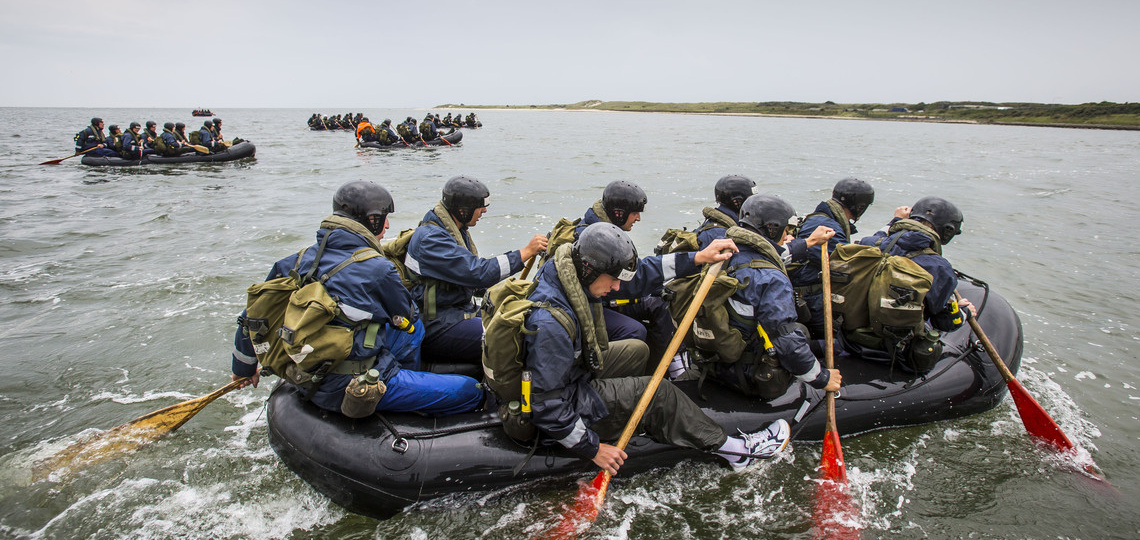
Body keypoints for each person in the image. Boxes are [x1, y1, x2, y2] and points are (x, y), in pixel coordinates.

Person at [525, 222, 791, 473]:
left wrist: (698, 258)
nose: (618, 287)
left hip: (571, 374)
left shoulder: (566, 270)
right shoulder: (551, 323)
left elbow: (639, 276)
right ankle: (738, 452)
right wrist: (592, 449)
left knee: (637, 350)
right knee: (658, 391)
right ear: (590, 270)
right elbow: (547, 405)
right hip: (564, 402)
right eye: (613, 280)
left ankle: (644, 417)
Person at [230, 180, 484, 416]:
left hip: (310, 372)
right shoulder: (377, 268)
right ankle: (405, 393)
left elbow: (251, 317)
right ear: (371, 221)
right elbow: (406, 313)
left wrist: (243, 369)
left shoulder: (297, 260)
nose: (386, 226)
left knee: (412, 328)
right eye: (383, 220)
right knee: (469, 389)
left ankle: (408, 379)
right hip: (351, 382)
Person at [406, 176, 547, 369]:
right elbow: (477, 273)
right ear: (462, 210)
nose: (484, 211)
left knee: (525, 319)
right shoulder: (431, 239)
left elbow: (476, 281)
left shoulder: (452, 229)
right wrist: (525, 253)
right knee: (510, 339)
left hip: (458, 311)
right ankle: (498, 394)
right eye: (480, 206)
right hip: (437, 324)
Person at [706, 194, 842, 396]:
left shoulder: (724, 254)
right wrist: (822, 379)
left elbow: (769, 255)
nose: (787, 234)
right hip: (749, 375)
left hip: (713, 365)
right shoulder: (772, 279)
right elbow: (786, 339)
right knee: (799, 332)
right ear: (773, 228)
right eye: (786, 229)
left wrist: (809, 242)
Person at [573, 180, 675, 361]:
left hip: (602, 298)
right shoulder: (595, 240)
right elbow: (629, 282)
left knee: (657, 303)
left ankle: (665, 370)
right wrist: (693, 260)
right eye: (634, 213)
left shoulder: (604, 231)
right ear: (618, 214)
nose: (638, 218)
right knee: (634, 330)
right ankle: (625, 377)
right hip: (589, 307)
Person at [855, 196, 975, 340]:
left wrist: (895, 221)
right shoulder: (939, 268)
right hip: (893, 352)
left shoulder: (869, 243)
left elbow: (880, 237)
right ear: (947, 231)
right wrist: (963, 312)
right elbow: (945, 322)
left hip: (850, 338)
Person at [790, 177, 876, 337]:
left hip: (807, 294)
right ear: (860, 206)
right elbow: (847, 264)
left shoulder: (821, 218)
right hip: (811, 299)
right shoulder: (827, 226)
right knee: (843, 338)